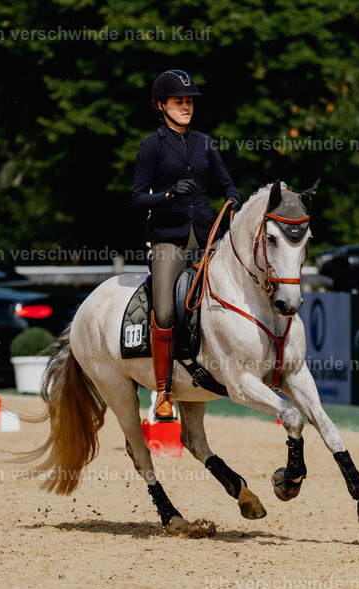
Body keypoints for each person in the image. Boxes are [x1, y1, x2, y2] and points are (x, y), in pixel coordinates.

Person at [131, 69, 241, 422]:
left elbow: (227, 184)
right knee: (164, 310)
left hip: (207, 235)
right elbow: (136, 199)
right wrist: (165, 195)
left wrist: (234, 198)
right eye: (179, 101)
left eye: (189, 101)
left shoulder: (205, 143)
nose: (186, 106)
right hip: (169, 238)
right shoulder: (151, 145)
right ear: (161, 105)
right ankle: (163, 390)